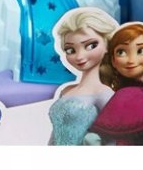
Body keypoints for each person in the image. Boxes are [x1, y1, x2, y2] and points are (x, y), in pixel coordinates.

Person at [48, 8, 119, 145]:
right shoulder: (66, 91)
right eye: (70, 50)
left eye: (91, 45)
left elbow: (112, 141)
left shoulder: (104, 94)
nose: (80, 56)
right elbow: (55, 135)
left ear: (107, 45)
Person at [87, 23, 143, 145]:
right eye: (121, 52)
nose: (131, 60)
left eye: (142, 50)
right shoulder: (126, 95)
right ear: (113, 60)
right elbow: (92, 138)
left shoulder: (142, 93)